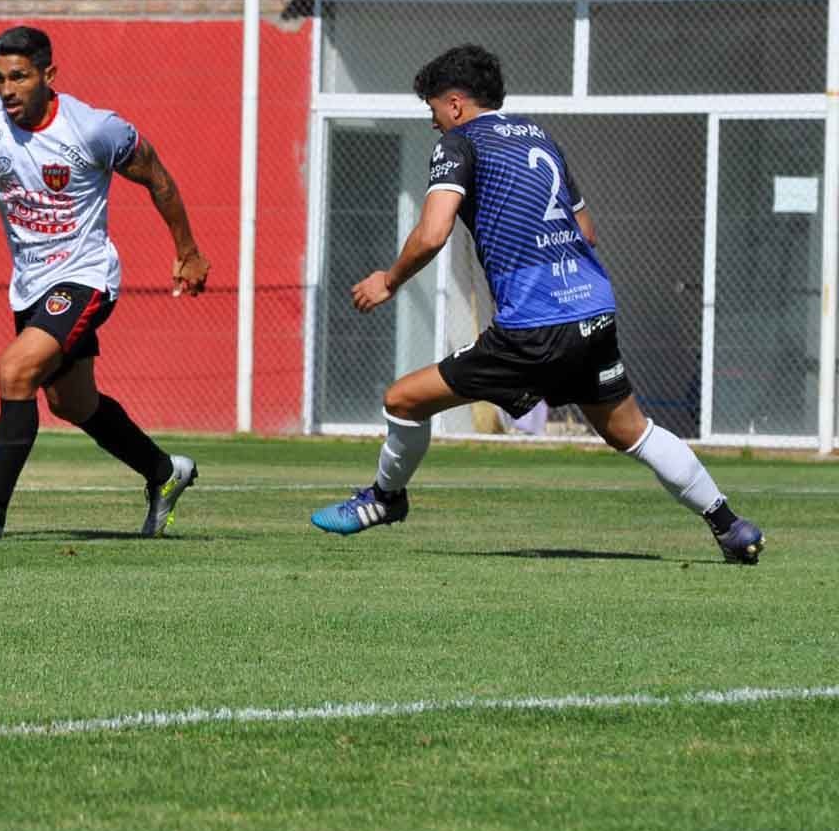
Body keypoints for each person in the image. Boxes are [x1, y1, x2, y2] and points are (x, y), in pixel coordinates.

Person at [310, 43, 765, 565]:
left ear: (456, 104)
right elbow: (587, 232)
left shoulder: (460, 143)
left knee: (403, 400)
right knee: (631, 431)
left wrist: (388, 281)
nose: (434, 122)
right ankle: (730, 527)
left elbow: (433, 232)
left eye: (433, 109)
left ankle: (386, 499)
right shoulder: (542, 139)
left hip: (534, 327)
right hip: (592, 312)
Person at [0, 25, 210, 541]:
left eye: (20, 77)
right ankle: (164, 473)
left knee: (15, 369)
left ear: (48, 75)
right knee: (71, 402)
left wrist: (187, 251)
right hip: (30, 284)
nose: (7, 90)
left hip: (86, 276)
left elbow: (159, 179)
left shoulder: (94, 129)